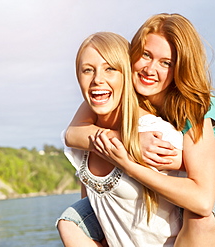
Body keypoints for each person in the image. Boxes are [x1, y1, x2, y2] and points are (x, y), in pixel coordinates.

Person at [58, 13, 215, 247]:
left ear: (179, 68)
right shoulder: (119, 93)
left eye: (166, 62)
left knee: (198, 217)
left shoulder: (194, 108)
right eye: (145, 55)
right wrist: (130, 142)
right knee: (69, 222)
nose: (150, 69)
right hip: (169, 183)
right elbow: (73, 135)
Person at [58, 31, 187, 247]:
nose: (97, 79)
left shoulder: (155, 134)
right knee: (68, 222)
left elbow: (205, 193)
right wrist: (128, 140)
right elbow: (97, 216)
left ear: (126, 74)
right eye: (87, 70)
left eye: (110, 68)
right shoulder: (86, 139)